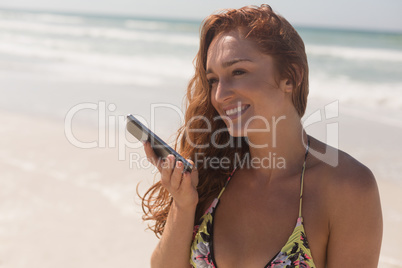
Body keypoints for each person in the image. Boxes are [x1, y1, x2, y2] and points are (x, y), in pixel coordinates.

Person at [141, 4, 383, 268]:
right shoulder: (214, 173)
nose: (220, 95)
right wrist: (184, 205)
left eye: (238, 72)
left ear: (290, 77)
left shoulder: (347, 187)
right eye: (213, 80)